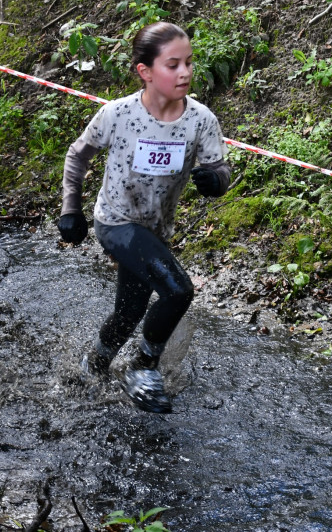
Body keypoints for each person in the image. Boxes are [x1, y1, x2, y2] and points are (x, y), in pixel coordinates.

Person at [58, 21, 230, 414]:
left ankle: (95, 363)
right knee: (178, 290)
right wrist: (71, 207)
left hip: (155, 228)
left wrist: (213, 181)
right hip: (116, 222)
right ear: (146, 71)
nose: (185, 72)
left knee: (130, 310)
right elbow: (77, 156)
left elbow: (221, 171)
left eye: (188, 62)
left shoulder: (201, 120)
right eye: (173, 64)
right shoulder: (117, 115)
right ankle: (143, 366)